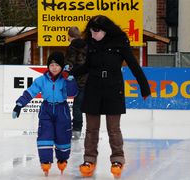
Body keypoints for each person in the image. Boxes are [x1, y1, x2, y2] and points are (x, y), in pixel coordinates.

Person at [73, 15, 151, 178]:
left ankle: (117, 158)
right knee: (91, 129)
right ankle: (89, 159)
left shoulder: (120, 43)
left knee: (113, 128)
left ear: (105, 30)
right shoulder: (91, 44)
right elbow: (87, 66)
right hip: (93, 87)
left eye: (95, 31)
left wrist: (144, 86)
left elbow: (133, 65)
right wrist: (70, 72)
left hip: (113, 89)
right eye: (91, 31)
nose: (92, 34)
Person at [12, 51, 77, 176]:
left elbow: (72, 93)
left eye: (57, 65)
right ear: (48, 66)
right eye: (51, 65)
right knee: (45, 135)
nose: (54, 68)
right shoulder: (41, 80)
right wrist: (19, 104)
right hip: (46, 109)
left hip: (62, 110)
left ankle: (62, 159)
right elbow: (30, 92)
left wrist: (70, 79)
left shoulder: (65, 79)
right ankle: (45, 161)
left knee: (63, 136)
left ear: (61, 67)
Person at [65, 26, 88, 140]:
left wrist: (67, 73)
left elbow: (69, 64)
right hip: (89, 80)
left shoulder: (72, 48)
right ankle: (91, 130)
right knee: (88, 106)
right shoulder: (87, 46)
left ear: (69, 36)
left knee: (77, 106)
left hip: (78, 80)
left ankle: (77, 130)